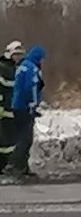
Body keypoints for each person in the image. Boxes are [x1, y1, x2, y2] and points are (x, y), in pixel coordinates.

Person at [4, 45, 46, 179]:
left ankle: (22, 167)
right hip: (24, 108)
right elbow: (31, 87)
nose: (42, 61)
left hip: (17, 106)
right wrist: (33, 105)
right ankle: (14, 166)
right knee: (25, 138)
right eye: (42, 59)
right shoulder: (31, 68)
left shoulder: (23, 66)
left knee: (22, 137)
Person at [0, 41, 25, 172]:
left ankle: (5, 166)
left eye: (20, 55)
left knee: (10, 142)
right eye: (16, 54)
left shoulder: (14, 69)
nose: (18, 57)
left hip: (12, 111)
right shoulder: (3, 68)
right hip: (4, 112)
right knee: (3, 142)